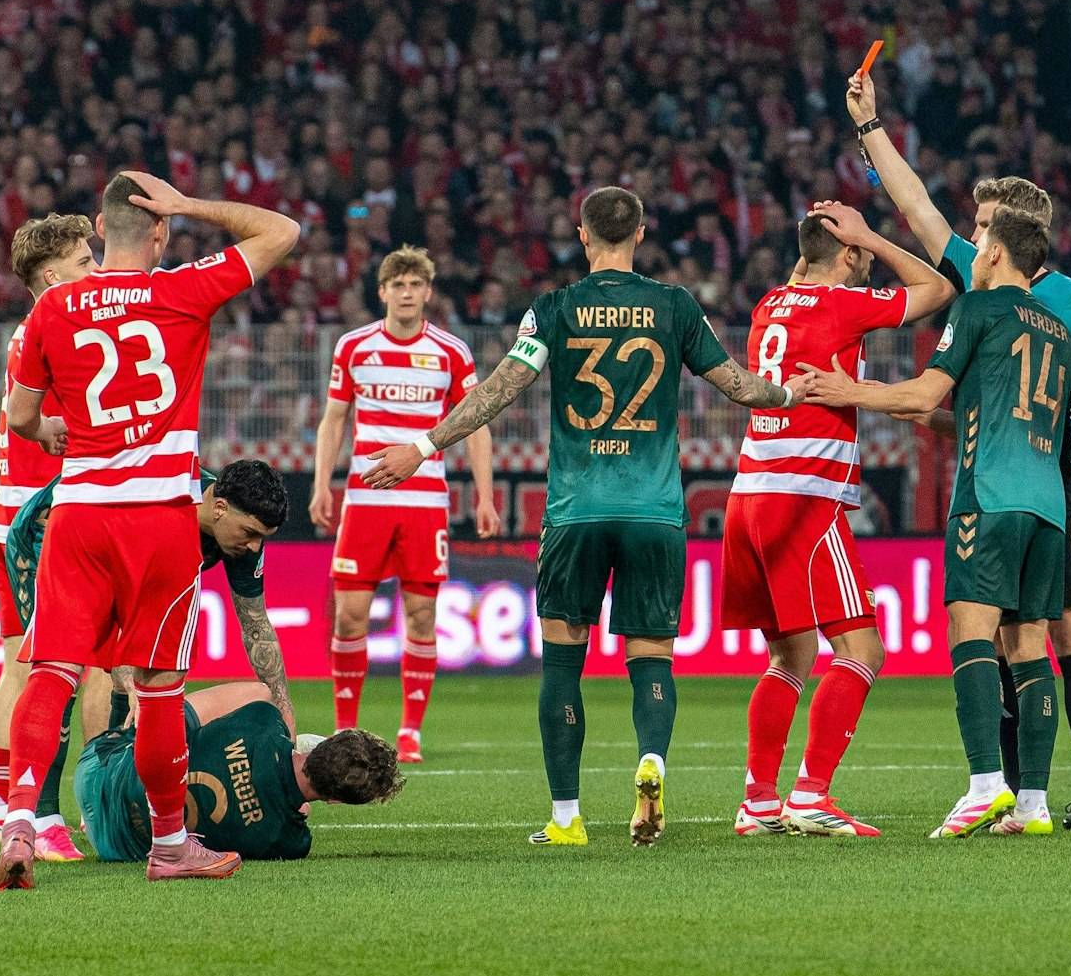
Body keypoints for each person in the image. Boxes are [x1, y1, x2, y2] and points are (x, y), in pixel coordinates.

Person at [362, 186, 791, 847]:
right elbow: (737, 384)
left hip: (575, 512)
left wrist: (420, 447)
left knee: (563, 664)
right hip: (653, 511)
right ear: (641, 232)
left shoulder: (554, 309)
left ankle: (566, 817)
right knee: (651, 655)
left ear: (584, 236)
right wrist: (791, 391)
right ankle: (651, 759)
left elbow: (498, 389)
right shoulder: (674, 306)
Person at [0, 170, 299, 889]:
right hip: (159, 516)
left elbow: (20, 417)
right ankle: (169, 846)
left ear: (98, 231)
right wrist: (189, 203)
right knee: (160, 685)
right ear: (157, 231)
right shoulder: (182, 288)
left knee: (53, 670)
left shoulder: (54, 306)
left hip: (80, 512)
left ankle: (17, 820)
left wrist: (52, 427)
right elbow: (281, 232)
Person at [847, 69, 1071, 830]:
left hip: (1043, 478)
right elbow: (916, 206)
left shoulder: (1070, 302)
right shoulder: (996, 283)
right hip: (1017, 471)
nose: (969, 236)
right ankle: (1023, 793)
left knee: (1063, 633)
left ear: (1014, 234)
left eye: (985, 224)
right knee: (1015, 639)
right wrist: (870, 130)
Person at [799, 206, 1071, 836]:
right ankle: (1032, 804)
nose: (971, 248)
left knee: (971, 630)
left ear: (998, 253)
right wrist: (922, 417)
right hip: (1047, 505)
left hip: (991, 495)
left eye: (979, 240)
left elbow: (924, 392)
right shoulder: (1056, 329)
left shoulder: (976, 309)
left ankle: (983, 787)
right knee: (1029, 646)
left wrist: (852, 393)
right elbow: (1007, 419)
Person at [727, 204, 953, 838]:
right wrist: (870, 235)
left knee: (789, 656)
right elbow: (938, 289)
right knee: (862, 649)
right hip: (805, 497)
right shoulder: (843, 306)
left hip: (749, 495)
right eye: (862, 258)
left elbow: (812, 264)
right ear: (849, 254)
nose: (868, 265)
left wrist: (825, 237)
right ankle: (811, 795)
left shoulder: (770, 303)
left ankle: (760, 801)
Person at [309, 248, 501, 762]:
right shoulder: (354, 346)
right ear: (383, 291)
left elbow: (475, 423)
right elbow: (334, 419)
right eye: (398, 284)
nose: (408, 292)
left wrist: (485, 495)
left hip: (423, 502)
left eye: (416, 284)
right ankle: (345, 728)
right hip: (366, 498)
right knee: (349, 616)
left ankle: (410, 731)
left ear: (428, 292)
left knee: (421, 614)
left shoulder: (452, 352)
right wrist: (320, 484)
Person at [8, 459, 295, 737]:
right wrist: (132, 685)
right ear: (220, 508)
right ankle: (44, 782)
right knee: (62, 670)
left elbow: (256, 627)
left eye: (263, 537)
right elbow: (116, 608)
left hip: (114, 549)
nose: (254, 546)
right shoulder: (160, 508)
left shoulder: (241, 538)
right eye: (251, 533)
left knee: (122, 674)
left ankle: (104, 771)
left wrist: (285, 715)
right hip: (47, 533)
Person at [0, 214, 98, 860]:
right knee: (81, 669)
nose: (96, 269)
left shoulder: (27, 333)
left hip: (12, 514)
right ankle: (58, 809)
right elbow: (49, 421)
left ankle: (1, 805)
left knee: (18, 668)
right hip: (42, 521)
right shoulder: (61, 327)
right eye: (84, 260)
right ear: (53, 277)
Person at [76, 681, 403, 863]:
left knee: (258, 691)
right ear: (337, 802)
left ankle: (137, 714)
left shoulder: (264, 721)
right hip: (116, 846)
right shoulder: (291, 841)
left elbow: (264, 704)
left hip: (97, 771)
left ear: (321, 745)